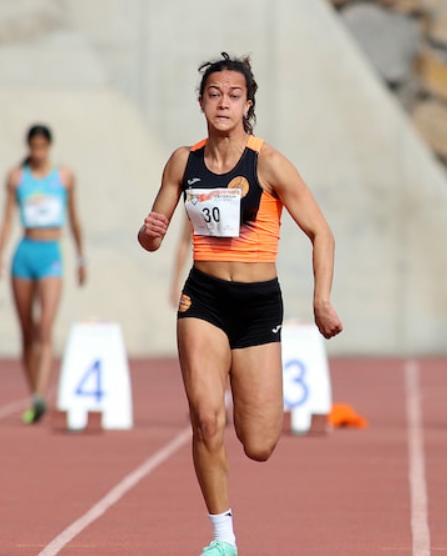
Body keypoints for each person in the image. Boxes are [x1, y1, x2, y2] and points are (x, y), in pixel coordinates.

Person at [136, 53, 343, 556]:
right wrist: (148, 233)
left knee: (259, 444)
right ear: (202, 102)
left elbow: (321, 233)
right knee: (206, 419)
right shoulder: (183, 161)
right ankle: (223, 539)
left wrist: (320, 299)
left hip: (257, 305)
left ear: (247, 104)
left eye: (233, 95)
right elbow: (152, 235)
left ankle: (255, 399)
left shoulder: (268, 162)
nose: (223, 102)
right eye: (214, 94)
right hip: (203, 297)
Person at [0, 124, 86, 424]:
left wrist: (82, 257)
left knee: (45, 329)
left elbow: (74, 218)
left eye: (42, 147)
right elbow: (7, 219)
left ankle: (39, 396)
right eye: (33, 147)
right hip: (24, 254)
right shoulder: (17, 177)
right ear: (28, 147)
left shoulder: (64, 176)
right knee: (27, 330)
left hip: (50, 256)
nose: (37, 152)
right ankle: (34, 389)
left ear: (49, 147)